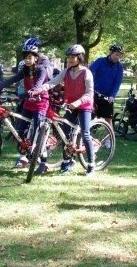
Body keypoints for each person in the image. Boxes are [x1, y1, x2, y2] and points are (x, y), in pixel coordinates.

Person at [30, 44, 96, 175]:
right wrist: (38, 90)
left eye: (73, 57)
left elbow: (89, 94)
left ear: (80, 58)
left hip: (84, 106)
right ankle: (67, 161)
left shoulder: (86, 73)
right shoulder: (66, 72)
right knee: (64, 133)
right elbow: (52, 82)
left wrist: (77, 103)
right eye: (69, 57)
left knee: (85, 133)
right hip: (70, 105)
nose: (70, 60)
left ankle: (91, 164)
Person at [0, 37, 52, 169]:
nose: (28, 60)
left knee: (37, 130)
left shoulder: (41, 69)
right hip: (28, 103)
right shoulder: (24, 69)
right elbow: (12, 79)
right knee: (21, 132)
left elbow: (38, 85)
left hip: (41, 102)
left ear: (36, 58)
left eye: (30, 57)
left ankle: (43, 161)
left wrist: (31, 92)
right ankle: (26, 155)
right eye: (26, 57)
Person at [89, 44, 124, 127]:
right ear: (111, 53)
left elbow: (117, 82)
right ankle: (86, 136)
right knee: (90, 116)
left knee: (108, 118)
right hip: (94, 93)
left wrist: (113, 95)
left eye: (119, 56)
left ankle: (109, 139)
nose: (118, 57)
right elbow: (90, 72)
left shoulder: (119, 67)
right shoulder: (100, 61)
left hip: (108, 97)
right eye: (116, 55)